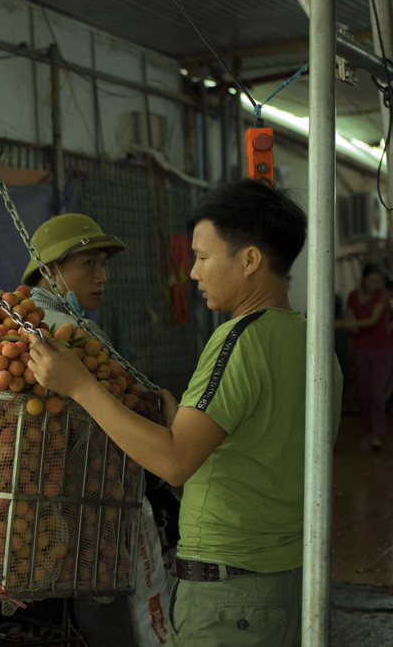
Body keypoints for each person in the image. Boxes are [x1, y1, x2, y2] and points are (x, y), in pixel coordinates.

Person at [26, 178, 341, 646]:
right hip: (288, 579)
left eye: (203, 257)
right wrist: (183, 422)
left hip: (232, 595)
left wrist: (81, 387)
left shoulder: (239, 340)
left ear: (250, 260)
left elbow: (174, 462)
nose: (193, 272)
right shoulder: (315, 342)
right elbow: (260, 449)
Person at [21, 212, 138, 647]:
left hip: (33, 519)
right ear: (51, 269)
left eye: (102, 264)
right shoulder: (75, 332)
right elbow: (130, 398)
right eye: (89, 264)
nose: (101, 276)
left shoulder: (14, 320)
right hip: (80, 512)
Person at [337, 264, 393, 451]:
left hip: (382, 349)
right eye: (372, 280)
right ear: (363, 280)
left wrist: (344, 324)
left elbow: (373, 320)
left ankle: (376, 433)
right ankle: (367, 432)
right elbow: (349, 317)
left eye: (379, 281)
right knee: (364, 392)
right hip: (362, 348)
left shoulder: (383, 294)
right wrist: (346, 324)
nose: (376, 284)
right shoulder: (354, 295)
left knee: (375, 391)